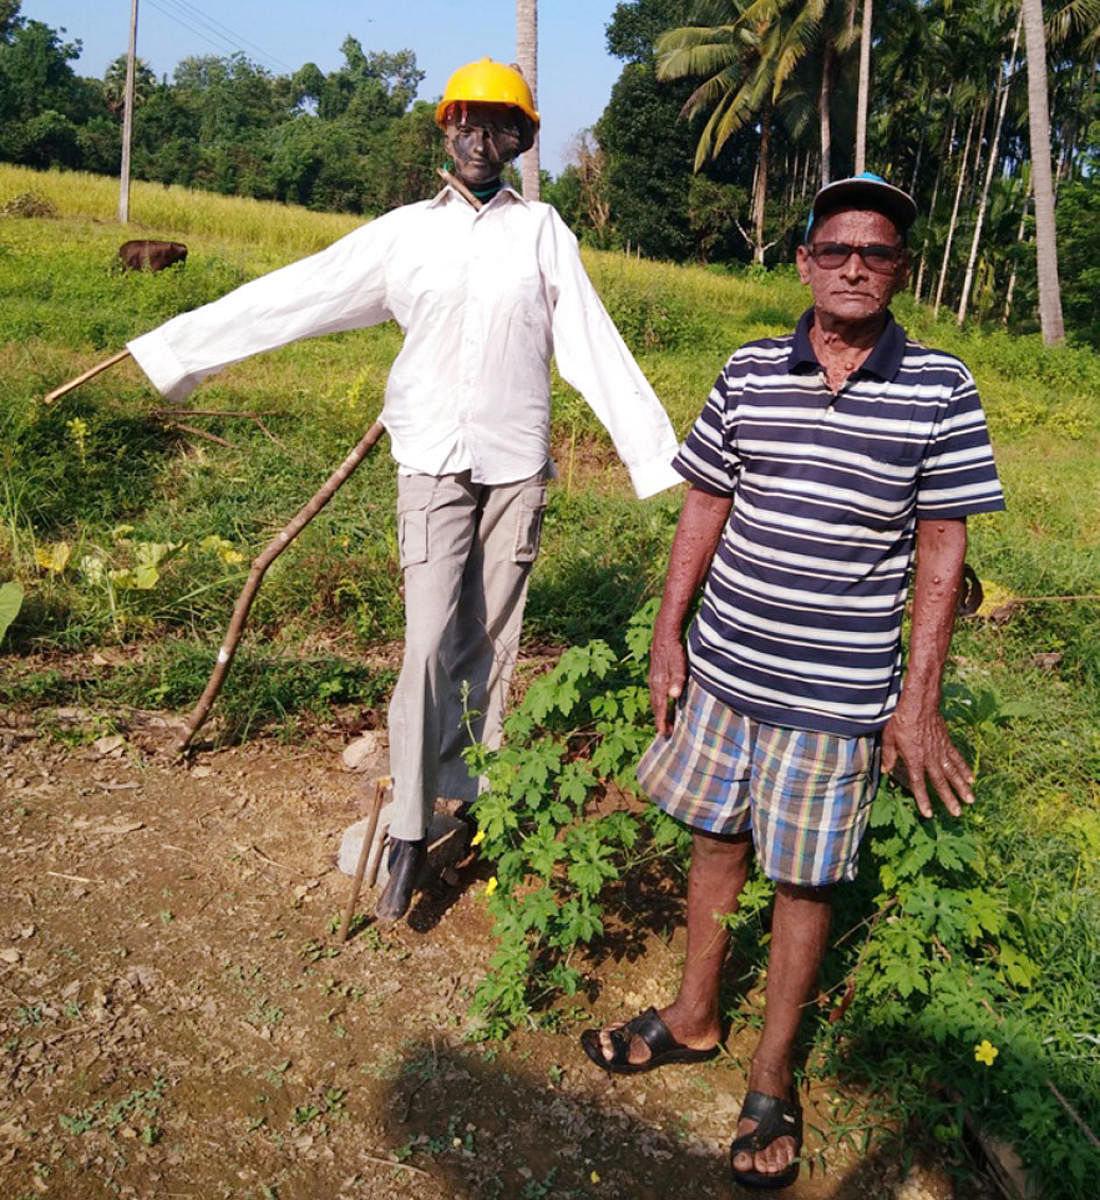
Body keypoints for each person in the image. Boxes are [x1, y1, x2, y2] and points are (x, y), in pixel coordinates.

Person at [124, 57, 681, 926]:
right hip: (428, 460)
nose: (480, 139)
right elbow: (298, 294)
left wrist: (656, 457)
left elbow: (593, 346)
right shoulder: (402, 234)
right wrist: (178, 346)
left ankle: (473, 801)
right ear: (446, 127)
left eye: (502, 127)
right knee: (427, 644)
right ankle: (411, 828)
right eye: (467, 121)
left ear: (522, 142)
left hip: (513, 466)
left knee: (491, 642)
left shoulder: (542, 235)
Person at [579, 174, 1004, 1189]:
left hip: (835, 692)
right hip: (723, 667)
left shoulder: (938, 386)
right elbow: (702, 510)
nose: (856, 265)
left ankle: (769, 1077)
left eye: (879, 252)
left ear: (899, 272)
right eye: (836, 248)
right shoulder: (745, 371)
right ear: (804, 262)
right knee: (714, 841)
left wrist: (918, 698)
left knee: (803, 881)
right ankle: (691, 1017)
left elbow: (941, 550)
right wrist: (665, 636)